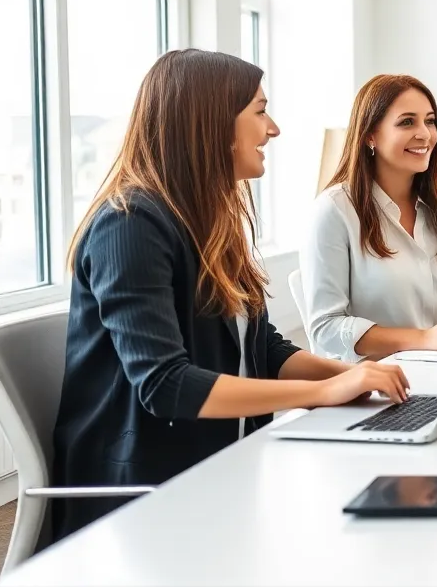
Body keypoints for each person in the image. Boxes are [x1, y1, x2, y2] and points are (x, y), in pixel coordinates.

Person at [52, 49, 410, 542]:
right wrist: (323, 393)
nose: (273, 129)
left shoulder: (209, 222)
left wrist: (355, 376)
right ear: (213, 124)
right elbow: (166, 385)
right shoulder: (129, 225)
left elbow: (263, 349)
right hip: (144, 499)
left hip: (222, 467)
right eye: (260, 112)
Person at [302, 74, 437, 362]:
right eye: (407, 122)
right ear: (370, 135)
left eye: (430, 121)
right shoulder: (334, 210)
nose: (425, 134)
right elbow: (326, 327)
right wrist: (426, 339)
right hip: (377, 375)